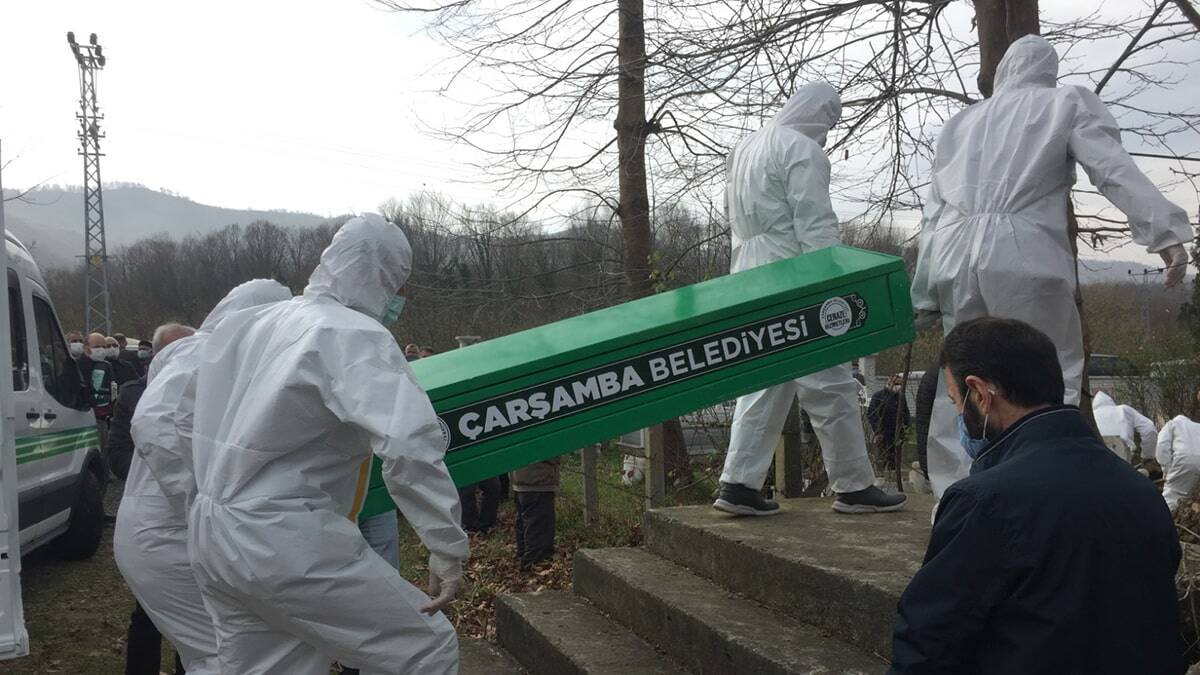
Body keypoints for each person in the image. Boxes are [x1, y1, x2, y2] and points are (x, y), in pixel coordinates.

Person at [910, 35, 1191, 499]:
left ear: (1004, 71)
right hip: (1025, 255)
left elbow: (933, 213)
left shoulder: (961, 123)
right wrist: (1165, 232)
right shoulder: (1062, 103)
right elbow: (1112, 167)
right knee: (1047, 376)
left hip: (955, 258)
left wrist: (924, 290)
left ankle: (956, 501)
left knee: (960, 382)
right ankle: (1042, 495)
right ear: (1048, 71)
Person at [187, 214, 469, 674]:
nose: (399, 298)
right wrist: (446, 545)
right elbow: (409, 443)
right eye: (399, 284)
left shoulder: (255, 324)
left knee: (273, 665)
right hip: (282, 537)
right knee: (426, 650)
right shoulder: (352, 334)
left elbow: (192, 413)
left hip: (211, 529)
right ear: (383, 275)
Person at [889, 318, 1183, 674]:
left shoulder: (983, 500)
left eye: (955, 402)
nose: (958, 417)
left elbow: (927, 645)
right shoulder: (1141, 492)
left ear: (979, 394)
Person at [714, 80, 905, 516]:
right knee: (831, 382)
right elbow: (816, 224)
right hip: (794, 277)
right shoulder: (801, 149)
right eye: (830, 121)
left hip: (750, 273)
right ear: (819, 113)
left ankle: (738, 483)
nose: (828, 131)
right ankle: (854, 485)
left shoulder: (744, 149)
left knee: (765, 379)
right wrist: (831, 283)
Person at [121, 287, 290, 675]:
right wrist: (201, 502)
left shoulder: (226, 360)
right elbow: (152, 423)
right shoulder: (200, 353)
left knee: (227, 649)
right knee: (220, 654)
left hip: (172, 531)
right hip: (164, 533)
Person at [108, 323, 195, 675]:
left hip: (194, 520)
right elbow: (117, 452)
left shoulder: (207, 388)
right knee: (148, 611)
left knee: (195, 611)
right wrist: (158, 478)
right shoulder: (135, 393)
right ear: (157, 355)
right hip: (154, 517)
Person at [511, 458, 560, 568]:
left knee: (525, 522)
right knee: (539, 528)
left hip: (522, 477)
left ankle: (524, 555)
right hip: (537, 478)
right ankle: (534, 565)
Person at [1092, 391, 1157, 462]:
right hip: (1120, 449)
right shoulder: (1123, 410)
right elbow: (1149, 428)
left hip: (1095, 449)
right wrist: (1147, 455)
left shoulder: (1090, 415)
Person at [80, 332, 117, 450]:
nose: (102, 350)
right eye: (97, 347)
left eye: (104, 347)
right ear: (86, 348)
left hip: (104, 417)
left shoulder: (106, 366)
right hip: (86, 418)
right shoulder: (79, 366)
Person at [1157, 413, 1200, 512]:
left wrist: (1166, 469)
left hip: (1184, 459)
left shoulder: (1172, 424)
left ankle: (1164, 519)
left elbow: (1162, 445)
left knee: (1172, 493)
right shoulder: (1198, 426)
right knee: (1189, 493)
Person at [867, 376, 911, 472]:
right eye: (896, 384)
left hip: (897, 436)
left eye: (900, 384)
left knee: (895, 463)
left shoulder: (900, 398)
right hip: (883, 435)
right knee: (882, 461)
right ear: (889, 383)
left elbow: (906, 415)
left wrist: (905, 430)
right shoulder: (878, 397)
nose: (898, 387)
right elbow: (872, 415)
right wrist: (878, 431)